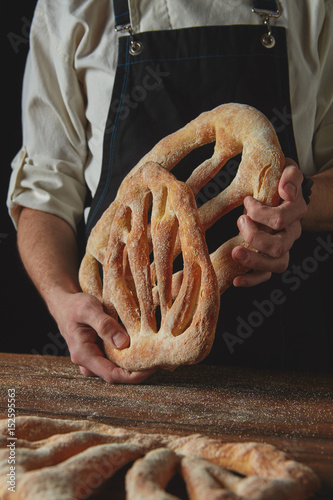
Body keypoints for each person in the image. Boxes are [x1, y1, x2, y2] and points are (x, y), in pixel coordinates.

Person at [7, 0, 333, 383]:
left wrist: (298, 201)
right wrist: (61, 299)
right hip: (120, 355)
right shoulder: (70, 8)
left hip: (286, 366)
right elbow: (44, 192)